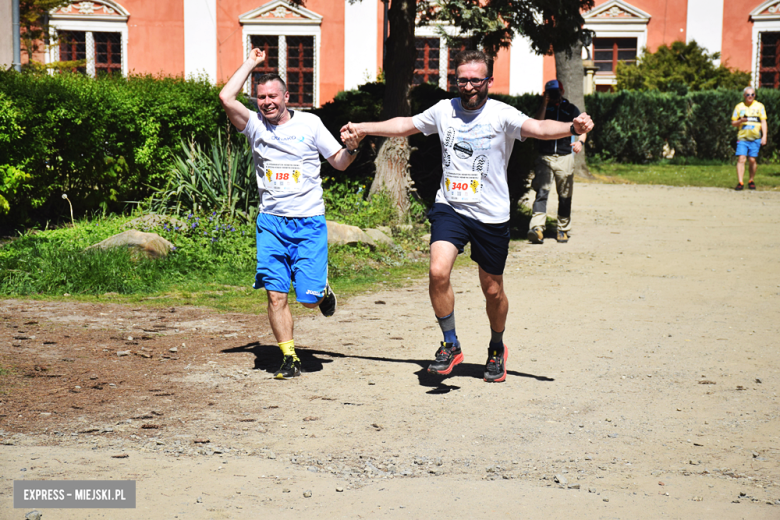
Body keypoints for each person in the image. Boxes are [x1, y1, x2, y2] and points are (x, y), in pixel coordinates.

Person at [341, 51, 593, 383]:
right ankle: (450, 343)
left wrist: (570, 128)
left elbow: (538, 128)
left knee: (493, 291)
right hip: (451, 207)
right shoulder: (445, 110)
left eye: (476, 79)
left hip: (490, 214)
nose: (469, 85)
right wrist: (363, 127)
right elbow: (406, 124)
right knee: (437, 270)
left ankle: (496, 346)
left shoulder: (501, 114)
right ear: (456, 80)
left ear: (489, 81)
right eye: (463, 79)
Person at [219, 48, 361, 379]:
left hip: (309, 223)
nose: (267, 102)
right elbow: (227, 96)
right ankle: (289, 357)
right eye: (261, 97)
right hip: (271, 223)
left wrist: (353, 146)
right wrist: (251, 63)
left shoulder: (310, 124)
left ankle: (322, 291)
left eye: (272, 96)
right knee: (275, 294)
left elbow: (339, 162)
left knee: (308, 299)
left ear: (286, 96)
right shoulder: (255, 126)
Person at [527, 79, 586, 244]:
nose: (554, 95)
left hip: (564, 157)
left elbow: (583, 129)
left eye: (556, 92)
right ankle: (537, 228)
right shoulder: (543, 108)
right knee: (542, 192)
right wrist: (545, 104)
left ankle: (563, 229)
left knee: (565, 194)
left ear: (562, 92)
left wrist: (580, 142)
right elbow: (535, 124)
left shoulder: (571, 109)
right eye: (550, 92)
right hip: (544, 157)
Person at [731, 86, 767, 191]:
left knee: (752, 159)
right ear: (744, 96)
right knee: (741, 159)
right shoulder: (739, 107)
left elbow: (763, 122)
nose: (750, 97)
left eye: (752, 95)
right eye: (748, 95)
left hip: (755, 138)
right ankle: (740, 182)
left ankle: (751, 180)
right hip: (742, 138)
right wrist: (740, 121)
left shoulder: (760, 106)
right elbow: (733, 123)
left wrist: (764, 136)